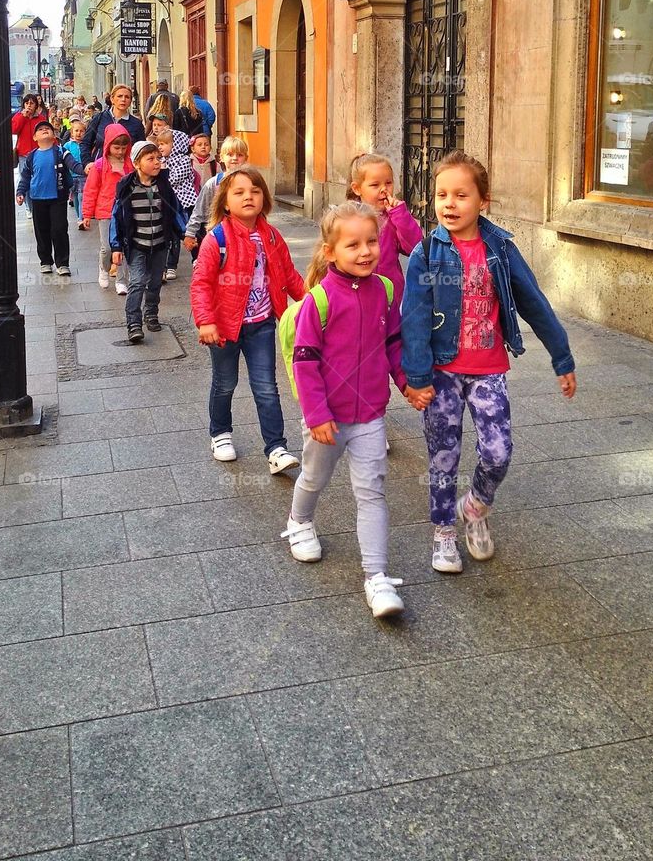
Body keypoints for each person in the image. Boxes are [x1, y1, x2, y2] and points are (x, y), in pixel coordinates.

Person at [401, 150, 577, 575]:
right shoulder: (427, 253)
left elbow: (533, 302)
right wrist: (418, 376)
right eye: (442, 194)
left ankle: (476, 508)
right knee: (443, 455)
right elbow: (414, 317)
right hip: (441, 372)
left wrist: (562, 355)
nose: (449, 204)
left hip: (488, 370)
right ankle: (444, 533)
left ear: (484, 200)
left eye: (461, 195)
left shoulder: (500, 248)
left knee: (498, 453)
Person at [281, 201, 414, 619]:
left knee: (371, 491)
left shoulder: (386, 291)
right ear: (329, 252)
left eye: (372, 241)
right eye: (353, 244)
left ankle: (377, 577)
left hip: (371, 415)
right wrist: (317, 414)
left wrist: (406, 382)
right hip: (328, 419)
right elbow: (304, 361)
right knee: (315, 476)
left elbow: (392, 344)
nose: (365, 251)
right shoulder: (318, 301)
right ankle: (299, 521)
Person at [190, 166, 304, 468]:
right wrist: (206, 321)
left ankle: (276, 449)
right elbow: (201, 282)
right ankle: (220, 432)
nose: (248, 197)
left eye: (254, 191)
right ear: (225, 202)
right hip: (225, 327)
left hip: (262, 325)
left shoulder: (272, 236)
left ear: (264, 198)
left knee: (266, 386)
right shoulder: (216, 239)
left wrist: (311, 302)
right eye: (239, 192)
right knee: (225, 383)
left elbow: (288, 275)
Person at [110, 140, 188, 343]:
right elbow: (116, 217)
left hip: (161, 244)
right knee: (136, 282)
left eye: (158, 159)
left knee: (154, 282)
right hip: (136, 245)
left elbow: (175, 212)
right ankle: (134, 323)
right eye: (150, 159)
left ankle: (151, 313)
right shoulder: (127, 186)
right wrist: (116, 246)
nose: (157, 163)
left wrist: (185, 234)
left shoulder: (164, 185)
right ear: (137, 163)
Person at [347, 152, 422, 306]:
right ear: (357, 188)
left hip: (391, 298)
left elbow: (415, 247)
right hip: (357, 297)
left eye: (388, 183)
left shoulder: (393, 218)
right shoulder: (346, 220)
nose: (384, 189)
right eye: (375, 185)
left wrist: (401, 215)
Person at [82, 124, 133, 294]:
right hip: (105, 211)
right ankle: (104, 268)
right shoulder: (99, 165)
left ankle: (121, 280)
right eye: (116, 147)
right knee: (108, 247)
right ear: (108, 145)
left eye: (123, 148)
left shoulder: (130, 165)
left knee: (124, 246)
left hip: (125, 211)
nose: (120, 151)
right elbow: (90, 190)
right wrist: (87, 214)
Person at [16, 120, 72, 275]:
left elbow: (73, 164)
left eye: (48, 128)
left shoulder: (60, 152)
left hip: (58, 198)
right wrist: (20, 192)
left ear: (54, 135)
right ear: (35, 137)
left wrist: (85, 169)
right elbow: (25, 177)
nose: (44, 130)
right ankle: (45, 261)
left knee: (59, 229)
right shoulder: (31, 156)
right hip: (37, 199)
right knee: (42, 231)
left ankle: (62, 263)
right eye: (40, 129)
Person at [184, 136, 249, 259]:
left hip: (244, 236)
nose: (235, 158)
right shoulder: (213, 184)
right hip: (218, 237)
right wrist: (190, 233)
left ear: (246, 158)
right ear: (222, 158)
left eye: (239, 155)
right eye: (230, 154)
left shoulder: (251, 183)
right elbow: (199, 210)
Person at [155, 128, 197, 280]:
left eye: (164, 144)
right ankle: (171, 265)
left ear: (177, 144)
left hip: (185, 203)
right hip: (169, 204)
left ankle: (197, 258)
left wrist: (163, 173)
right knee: (171, 235)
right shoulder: (161, 161)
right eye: (159, 144)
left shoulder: (184, 160)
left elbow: (173, 179)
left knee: (190, 232)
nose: (160, 147)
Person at [81, 85, 145, 169]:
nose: (123, 99)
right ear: (112, 99)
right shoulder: (99, 118)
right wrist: (87, 163)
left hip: (126, 171)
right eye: (119, 96)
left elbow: (141, 149)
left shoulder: (136, 124)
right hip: (100, 168)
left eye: (127, 97)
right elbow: (86, 142)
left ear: (130, 101)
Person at [11, 93, 40, 217]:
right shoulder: (18, 116)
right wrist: (23, 117)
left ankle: (36, 204)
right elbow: (14, 130)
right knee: (26, 180)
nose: (29, 105)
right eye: (27, 103)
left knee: (36, 179)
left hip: (38, 153)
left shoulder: (40, 118)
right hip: (23, 153)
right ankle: (29, 207)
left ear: (36, 105)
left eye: (31, 103)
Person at [63, 118, 87, 228]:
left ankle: (82, 218)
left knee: (82, 196)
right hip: (71, 175)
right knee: (76, 196)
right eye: (76, 131)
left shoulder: (86, 145)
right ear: (72, 133)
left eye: (81, 131)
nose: (79, 133)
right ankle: (79, 216)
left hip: (83, 175)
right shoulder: (67, 146)